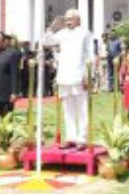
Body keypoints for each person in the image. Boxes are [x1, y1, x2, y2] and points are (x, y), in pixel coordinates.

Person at [44, 9, 94, 150]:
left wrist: (88, 75)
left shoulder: (85, 33)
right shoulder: (62, 33)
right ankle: (71, 137)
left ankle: (82, 138)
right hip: (64, 76)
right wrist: (52, 27)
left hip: (79, 76)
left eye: (71, 18)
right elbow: (46, 42)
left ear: (78, 19)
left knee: (82, 108)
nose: (68, 21)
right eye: (66, 19)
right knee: (68, 108)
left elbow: (90, 55)